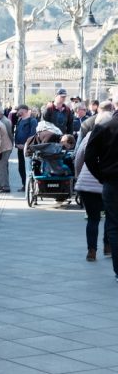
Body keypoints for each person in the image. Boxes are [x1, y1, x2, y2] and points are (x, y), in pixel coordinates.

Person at [84, 110, 118, 282]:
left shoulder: (103, 127)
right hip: (110, 181)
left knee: (114, 223)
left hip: (112, 181)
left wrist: (102, 176)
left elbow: (88, 157)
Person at [75, 112, 113, 262]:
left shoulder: (90, 135)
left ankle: (91, 251)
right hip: (106, 182)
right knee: (110, 216)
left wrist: (78, 176)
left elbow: (79, 156)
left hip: (86, 183)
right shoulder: (113, 136)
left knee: (93, 219)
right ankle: (107, 246)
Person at [14, 104, 37, 191]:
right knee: (21, 168)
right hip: (20, 149)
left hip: (28, 149)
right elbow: (17, 133)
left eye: (19, 110)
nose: (17, 112)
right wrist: (16, 144)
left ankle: (31, 187)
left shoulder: (32, 121)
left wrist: (25, 145)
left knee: (28, 167)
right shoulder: (19, 120)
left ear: (24, 111)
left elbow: (33, 134)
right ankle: (25, 185)